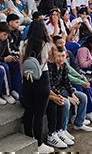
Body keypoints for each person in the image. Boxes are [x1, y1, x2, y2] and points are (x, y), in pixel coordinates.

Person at [19, 19, 55, 153]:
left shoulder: (23, 43)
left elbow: (21, 63)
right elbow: (52, 59)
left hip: (27, 79)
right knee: (39, 113)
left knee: (29, 110)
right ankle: (39, 144)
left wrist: (23, 78)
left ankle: (29, 138)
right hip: (42, 79)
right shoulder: (46, 44)